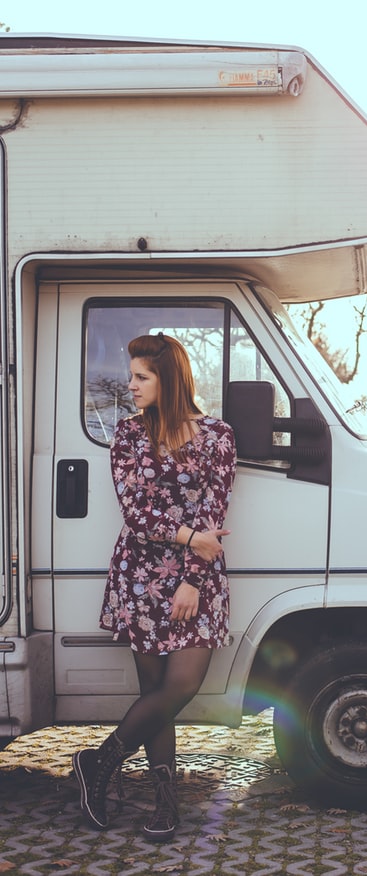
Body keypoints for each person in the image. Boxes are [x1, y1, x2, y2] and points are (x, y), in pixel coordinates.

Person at [73, 332, 237, 842]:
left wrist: (191, 579)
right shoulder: (126, 434)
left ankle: (98, 762)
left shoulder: (218, 435)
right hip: (140, 576)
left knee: (179, 686)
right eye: (132, 375)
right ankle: (165, 805)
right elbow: (135, 513)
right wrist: (190, 538)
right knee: (155, 693)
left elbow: (215, 511)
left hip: (196, 580)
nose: (132, 384)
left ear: (169, 378)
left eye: (142, 376)